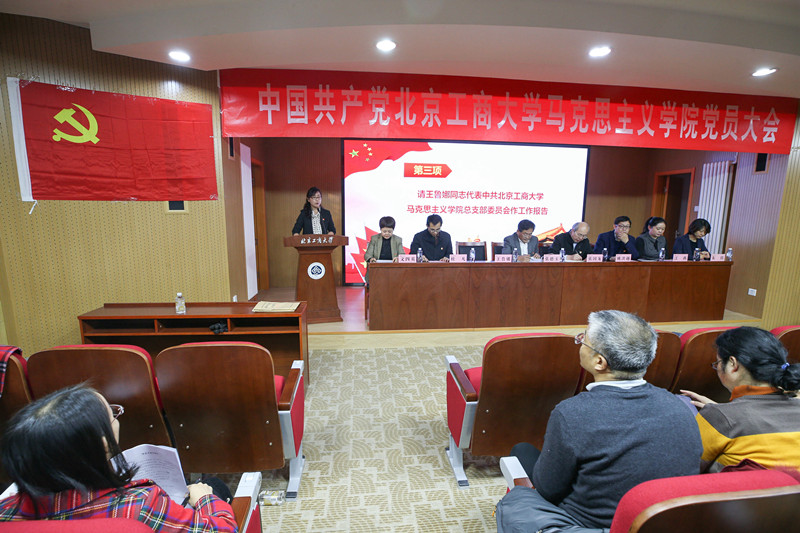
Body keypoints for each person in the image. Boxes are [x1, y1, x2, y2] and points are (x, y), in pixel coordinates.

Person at [503, 310, 702, 531]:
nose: (580, 343)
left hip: (590, 525)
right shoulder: (680, 406)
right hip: (662, 524)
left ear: (599, 362)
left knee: (521, 452)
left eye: (583, 340)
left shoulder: (572, 413)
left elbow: (548, 489)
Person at [0, 385, 237, 532]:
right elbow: (223, 531)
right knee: (213, 487)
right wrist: (205, 499)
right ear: (103, 444)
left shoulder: (6, 512)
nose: (116, 418)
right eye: (112, 414)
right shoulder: (142, 505)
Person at [681, 327, 800, 473]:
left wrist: (720, 416)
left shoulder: (720, 417)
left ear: (733, 364)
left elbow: (682, 468)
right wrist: (723, 413)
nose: (717, 368)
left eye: (718, 363)